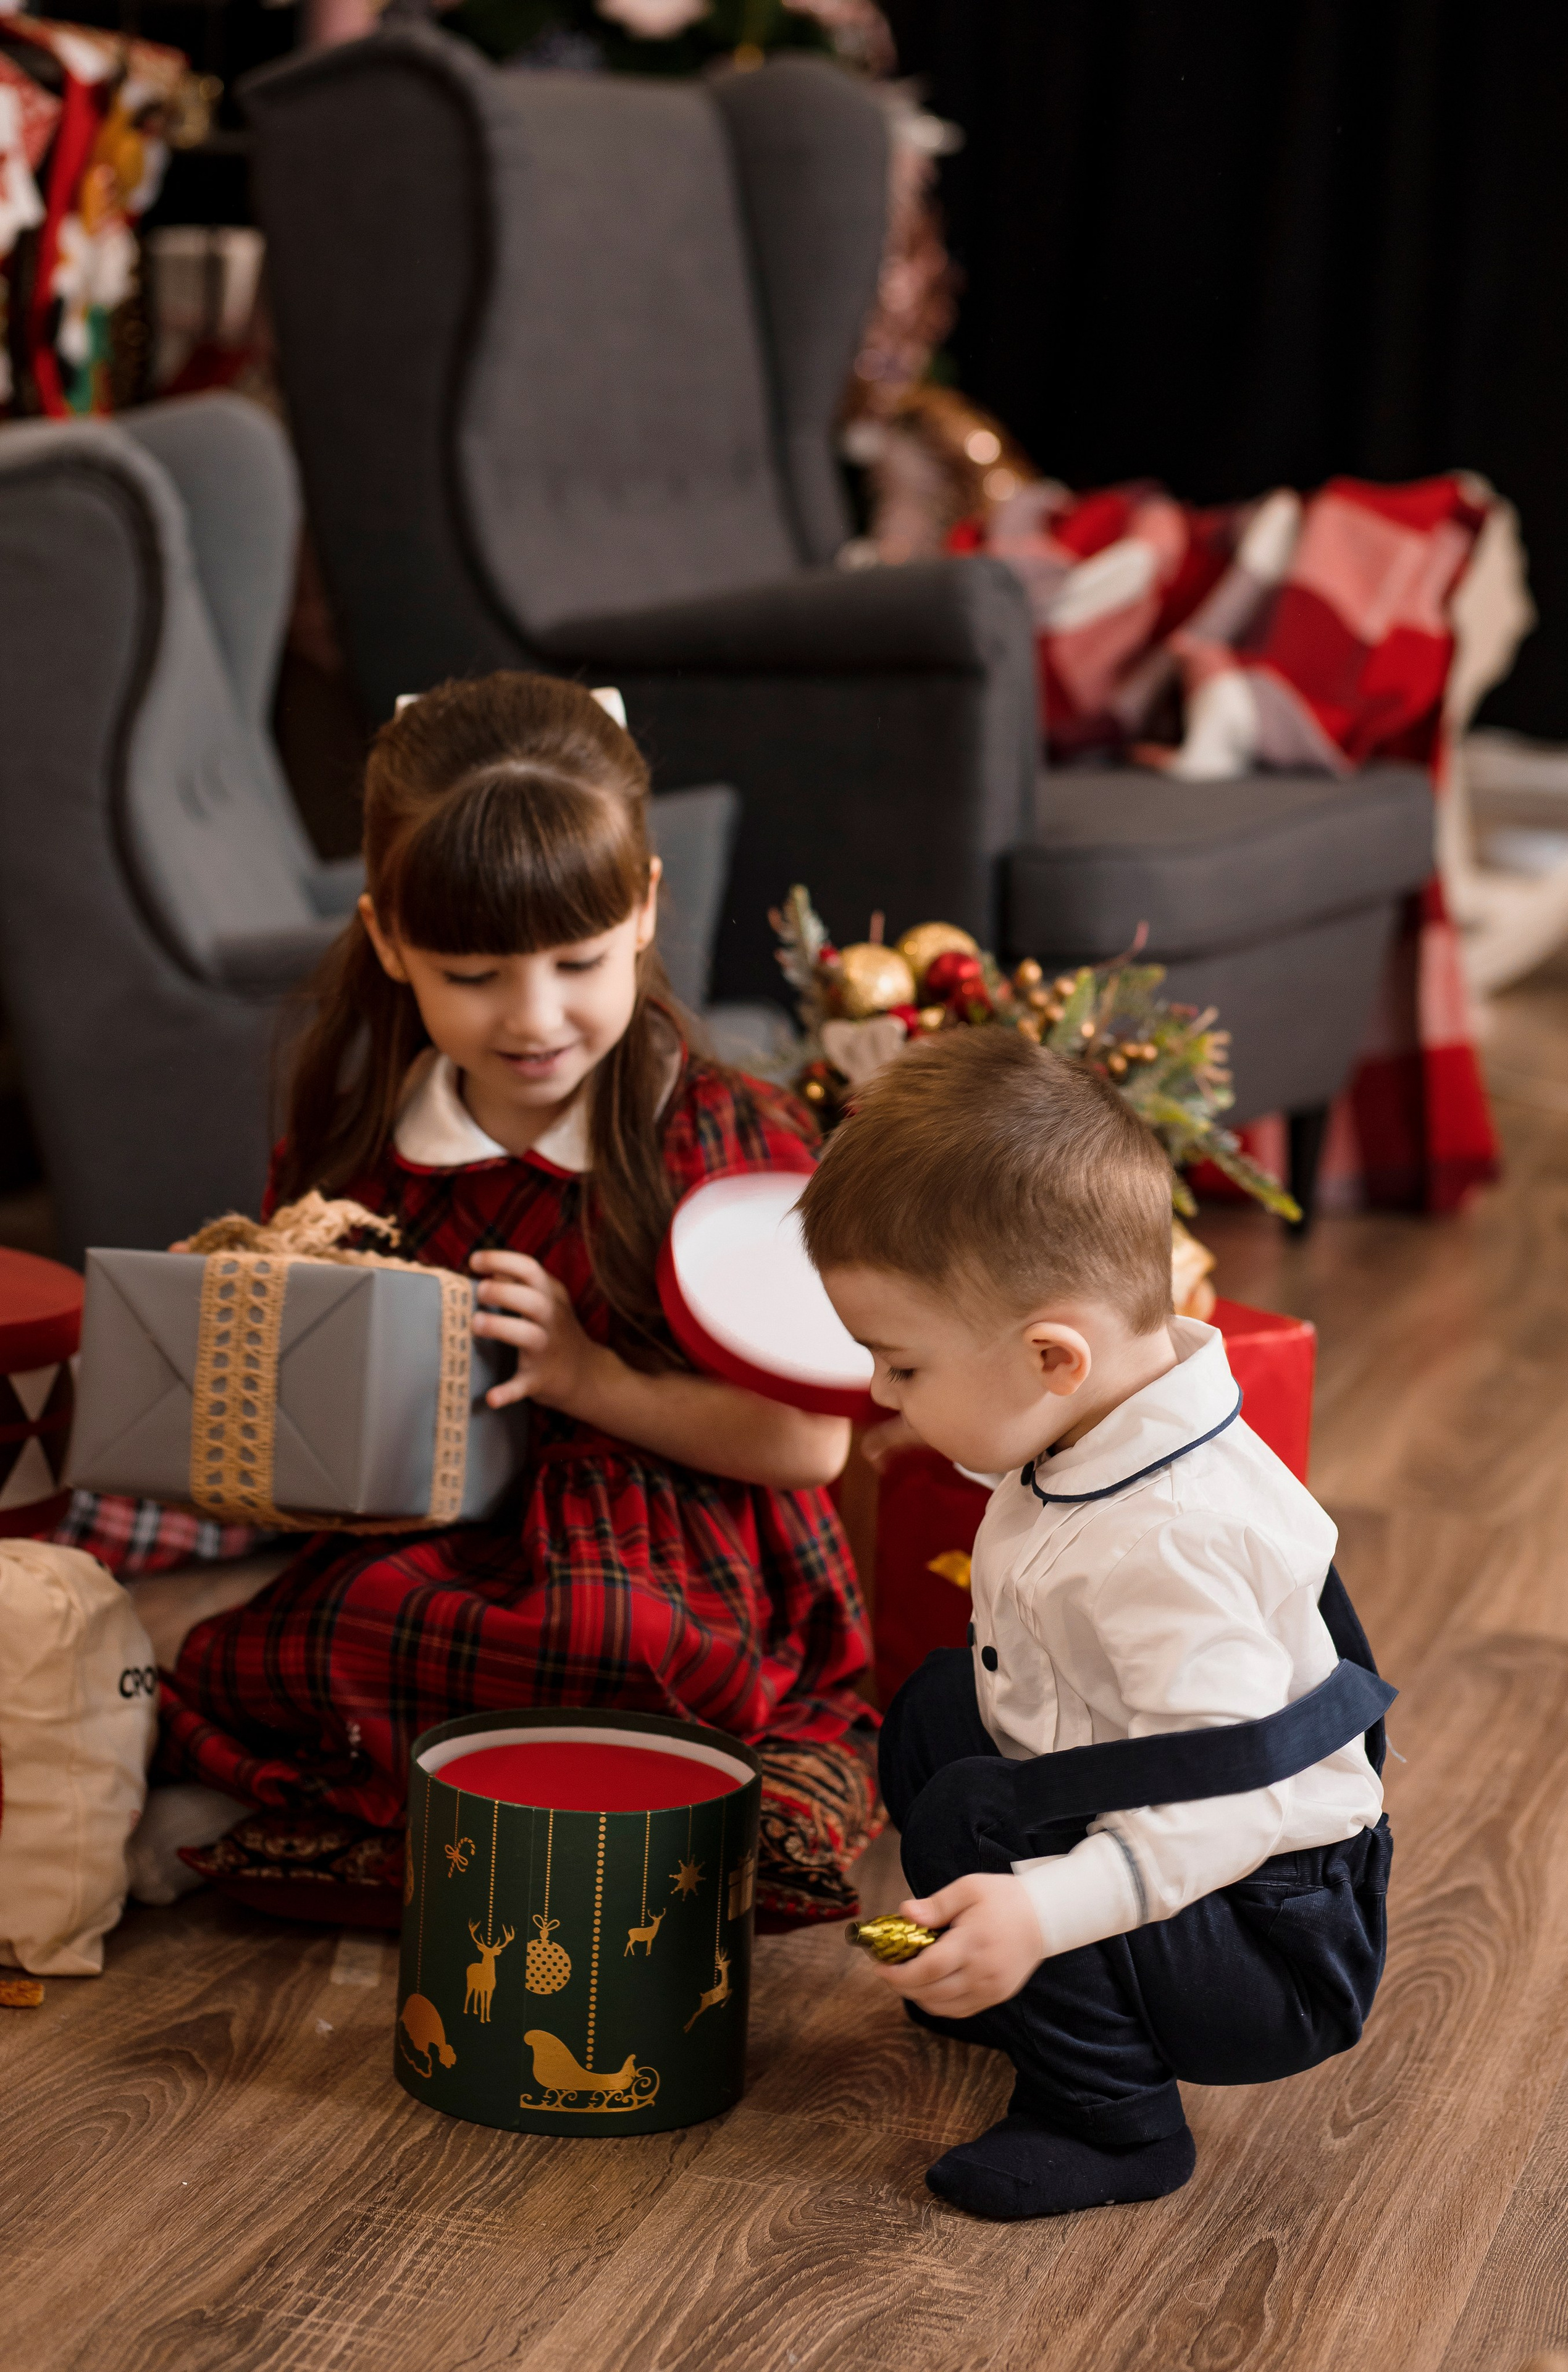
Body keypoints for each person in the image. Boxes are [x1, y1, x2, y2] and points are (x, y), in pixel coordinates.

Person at [156, 673, 878, 1923]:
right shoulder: (361, 1133)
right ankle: (395, 1810)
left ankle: (469, 1816)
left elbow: (809, 1443)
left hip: (670, 1525)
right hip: (424, 1529)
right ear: (388, 940)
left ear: (645, 908)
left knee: (619, 1639)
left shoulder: (718, 1135)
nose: (535, 1018)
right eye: (475, 974)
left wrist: (589, 1381)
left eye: (577, 961)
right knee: (327, 1633)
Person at [800, 1028, 1394, 2219]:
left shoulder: (1173, 1544)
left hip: (1267, 1931)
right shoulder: (1093, 1416)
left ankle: (1111, 2119)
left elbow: (1226, 1805)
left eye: (900, 1365)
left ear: (1050, 1356)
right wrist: (952, 1411)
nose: (879, 1392)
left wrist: (1048, 1907)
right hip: (1170, 1824)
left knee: (980, 1816)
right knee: (934, 1708)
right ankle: (1016, 1987)